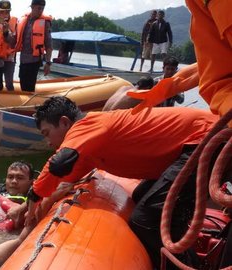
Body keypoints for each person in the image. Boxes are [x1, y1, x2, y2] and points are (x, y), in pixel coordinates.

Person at [24, 96, 218, 267]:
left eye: (47, 133)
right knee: (142, 196)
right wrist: (27, 205)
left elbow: (58, 165)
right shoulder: (90, 144)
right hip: (196, 142)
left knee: (145, 220)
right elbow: (64, 176)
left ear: (65, 123)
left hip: (202, 139)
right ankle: (190, 260)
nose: (48, 143)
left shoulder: (87, 125)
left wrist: (33, 199)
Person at [14, 0, 53, 92]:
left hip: (34, 60)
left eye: (42, 9)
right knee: (23, 85)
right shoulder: (23, 20)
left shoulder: (45, 23)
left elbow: (49, 44)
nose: (40, 11)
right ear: (32, 7)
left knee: (30, 87)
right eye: (39, 8)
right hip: (23, 60)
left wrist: (48, 63)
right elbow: (15, 39)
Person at [0, 0, 18, 91]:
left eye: (7, 11)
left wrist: (6, 31)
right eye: (2, 12)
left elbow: (15, 41)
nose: (5, 14)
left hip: (10, 57)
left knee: (9, 83)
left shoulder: (15, 22)